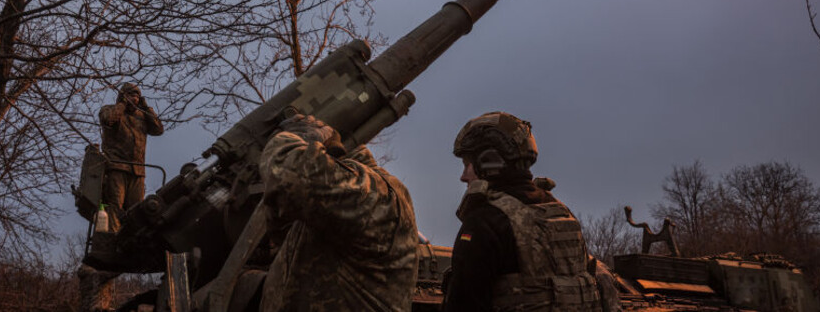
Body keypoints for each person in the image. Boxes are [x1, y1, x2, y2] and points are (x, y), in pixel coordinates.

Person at [442, 111, 604, 312]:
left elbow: (464, 304)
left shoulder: (484, 222)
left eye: (467, 165)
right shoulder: (562, 213)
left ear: (489, 161)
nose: (463, 176)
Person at [258, 114, 419, 311]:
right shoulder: (330, 210)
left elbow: (289, 176)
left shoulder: (378, 197)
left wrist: (294, 136)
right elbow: (281, 225)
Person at [98, 82, 164, 229]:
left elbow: (158, 129)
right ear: (123, 96)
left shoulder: (142, 116)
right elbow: (109, 120)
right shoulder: (110, 110)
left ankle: (130, 243)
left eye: (137, 96)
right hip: (117, 167)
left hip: (138, 171)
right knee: (115, 206)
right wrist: (122, 104)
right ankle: (113, 240)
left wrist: (146, 107)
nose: (134, 98)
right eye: (131, 95)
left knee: (136, 210)